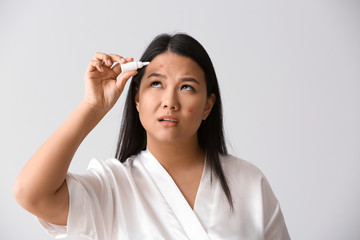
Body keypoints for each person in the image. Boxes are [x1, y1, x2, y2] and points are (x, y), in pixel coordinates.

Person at [13, 33, 291, 240]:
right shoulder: (112, 187)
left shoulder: (249, 182)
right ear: (136, 99)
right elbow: (31, 194)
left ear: (207, 105)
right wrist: (92, 107)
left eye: (187, 87)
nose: (169, 101)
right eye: (156, 83)